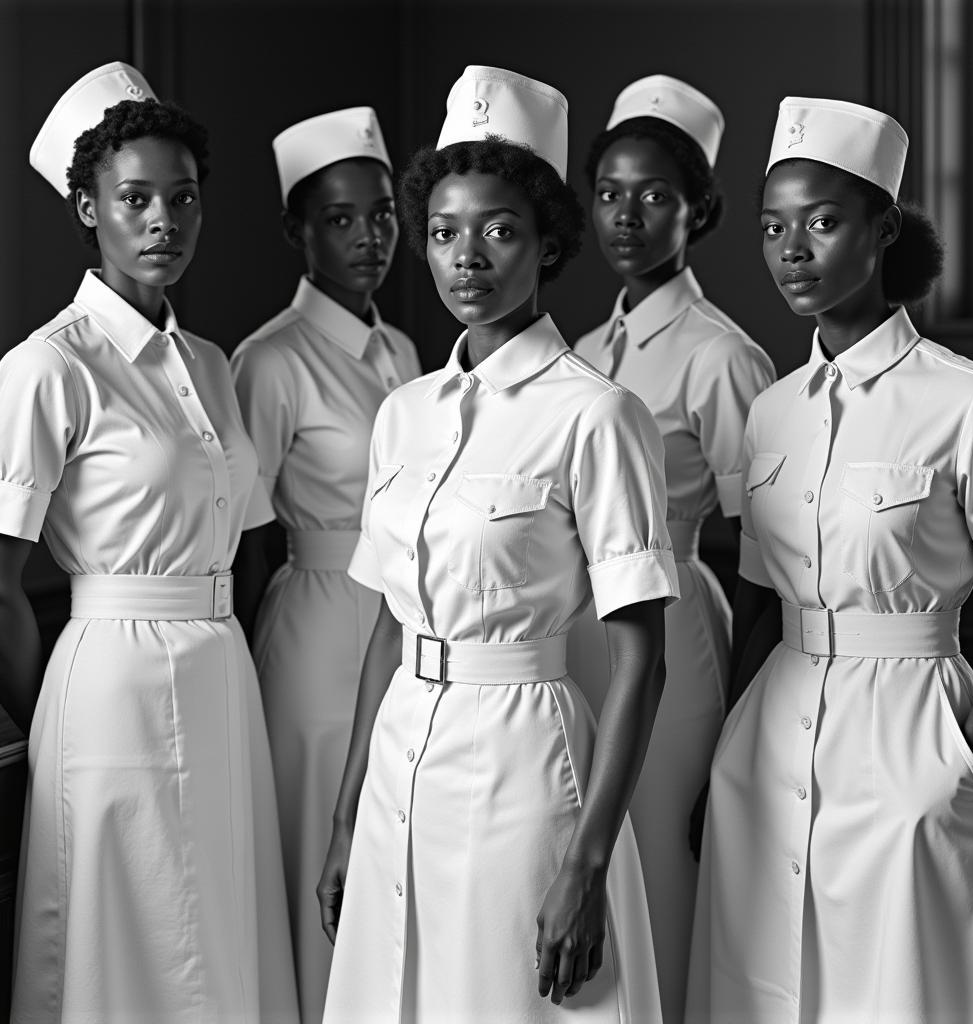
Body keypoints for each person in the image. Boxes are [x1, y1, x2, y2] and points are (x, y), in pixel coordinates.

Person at [316, 65, 678, 1023]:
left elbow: (642, 653)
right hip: (402, 760)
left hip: (525, 765)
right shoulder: (403, 414)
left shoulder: (598, 416)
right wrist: (350, 815)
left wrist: (588, 860)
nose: (465, 257)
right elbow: (391, 628)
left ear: (550, 243)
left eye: (499, 229)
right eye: (442, 232)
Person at [686, 96, 973, 1023]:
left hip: (913, 732)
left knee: (902, 991)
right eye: (773, 228)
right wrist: (725, 754)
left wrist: (956, 767)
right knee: (766, 982)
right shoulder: (774, 409)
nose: (793, 249)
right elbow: (758, 604)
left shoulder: (972, 402)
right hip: (772, 735)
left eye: (824, 223)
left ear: (883, 232)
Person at [2, 62, 298, 1022]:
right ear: (88, 208)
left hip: (223, 679)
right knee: (120, 942)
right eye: (134, 198)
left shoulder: (211, 365)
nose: (163, 220)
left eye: (183, 198)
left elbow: (249, 545)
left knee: (213, 938)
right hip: (109, 693)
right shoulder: (50, 368)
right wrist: (55, 725)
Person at [567, 74, 775, 1019]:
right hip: (573, 636)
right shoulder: (578, 347)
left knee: (659, 864)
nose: (627, 216)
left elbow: (766, 553)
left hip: (675, 631)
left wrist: (740, 717)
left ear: (700, 212)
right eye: (609, 193)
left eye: (655, 196)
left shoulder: (720, 356)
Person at [230, 105, 420, 1023]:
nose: (369, 237)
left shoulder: (407, 351)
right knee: (320, 839)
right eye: (340, 219)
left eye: (381, 213)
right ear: (296, 231)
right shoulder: (269, 360)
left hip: (406, 623)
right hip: (313, 623)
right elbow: (244, 531)